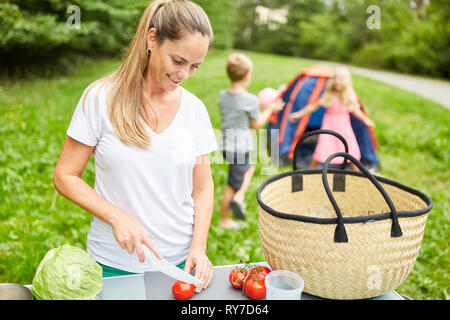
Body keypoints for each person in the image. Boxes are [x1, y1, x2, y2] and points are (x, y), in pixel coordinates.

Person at [53, 0, 217, 293]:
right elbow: (65, 176)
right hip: (114, 261)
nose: (184, 74)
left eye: (195, 66)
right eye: (178, 61)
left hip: (178, 263)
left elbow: (202, 188)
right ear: (152, 39)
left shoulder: (195, 110)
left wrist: (199, 247)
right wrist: (117, 217)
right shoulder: (100, 98)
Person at [218, 53, 284, 229]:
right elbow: (256, 124)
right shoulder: (250, 100)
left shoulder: (223, 95)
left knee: (249, 169)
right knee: (232, 185)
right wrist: (270, 109)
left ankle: (238, 198)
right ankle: (225, 218)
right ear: (247, 76)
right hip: (239, 148)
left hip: (227, 145)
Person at [289, 67, 374, 170]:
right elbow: (313, 106)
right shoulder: (329, 94)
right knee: (322, 148)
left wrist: (365, 119)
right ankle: (310, 171)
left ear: (346, 81)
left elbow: (356, 110)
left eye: (341, 79)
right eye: (335, 78)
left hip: (343, 127)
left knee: (351, 149)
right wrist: (298, 114)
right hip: (329, 126)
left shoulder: (349, 94)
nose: (337, 81)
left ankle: (358, 175)